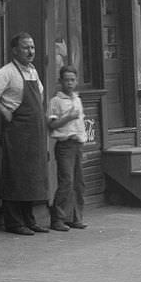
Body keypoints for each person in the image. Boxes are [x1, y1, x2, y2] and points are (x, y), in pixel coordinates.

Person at [0, 32, 50, 235]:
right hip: (17, 133)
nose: (30, 52)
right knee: (16, 176)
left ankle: (29, 220)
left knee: (31, 177)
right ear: (15, 51)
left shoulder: (33, 71)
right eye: (26, 48)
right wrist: (4, 111)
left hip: (34, 133)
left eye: (33, 48)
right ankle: (14, 222)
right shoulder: (7, 72)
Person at [47, 65, 87, 231]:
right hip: (64, 145)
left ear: (76, 81)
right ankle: (57, 219)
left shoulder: (77, 99)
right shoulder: (56, 101)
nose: (70, 83)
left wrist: (83, 141)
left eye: (72, 80)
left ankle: (75, 217)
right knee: (66, 182)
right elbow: (51, 124)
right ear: (60, 81)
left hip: (77, 144)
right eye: (66, 80)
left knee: (79, 183)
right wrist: (68, 117)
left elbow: (81, 124)